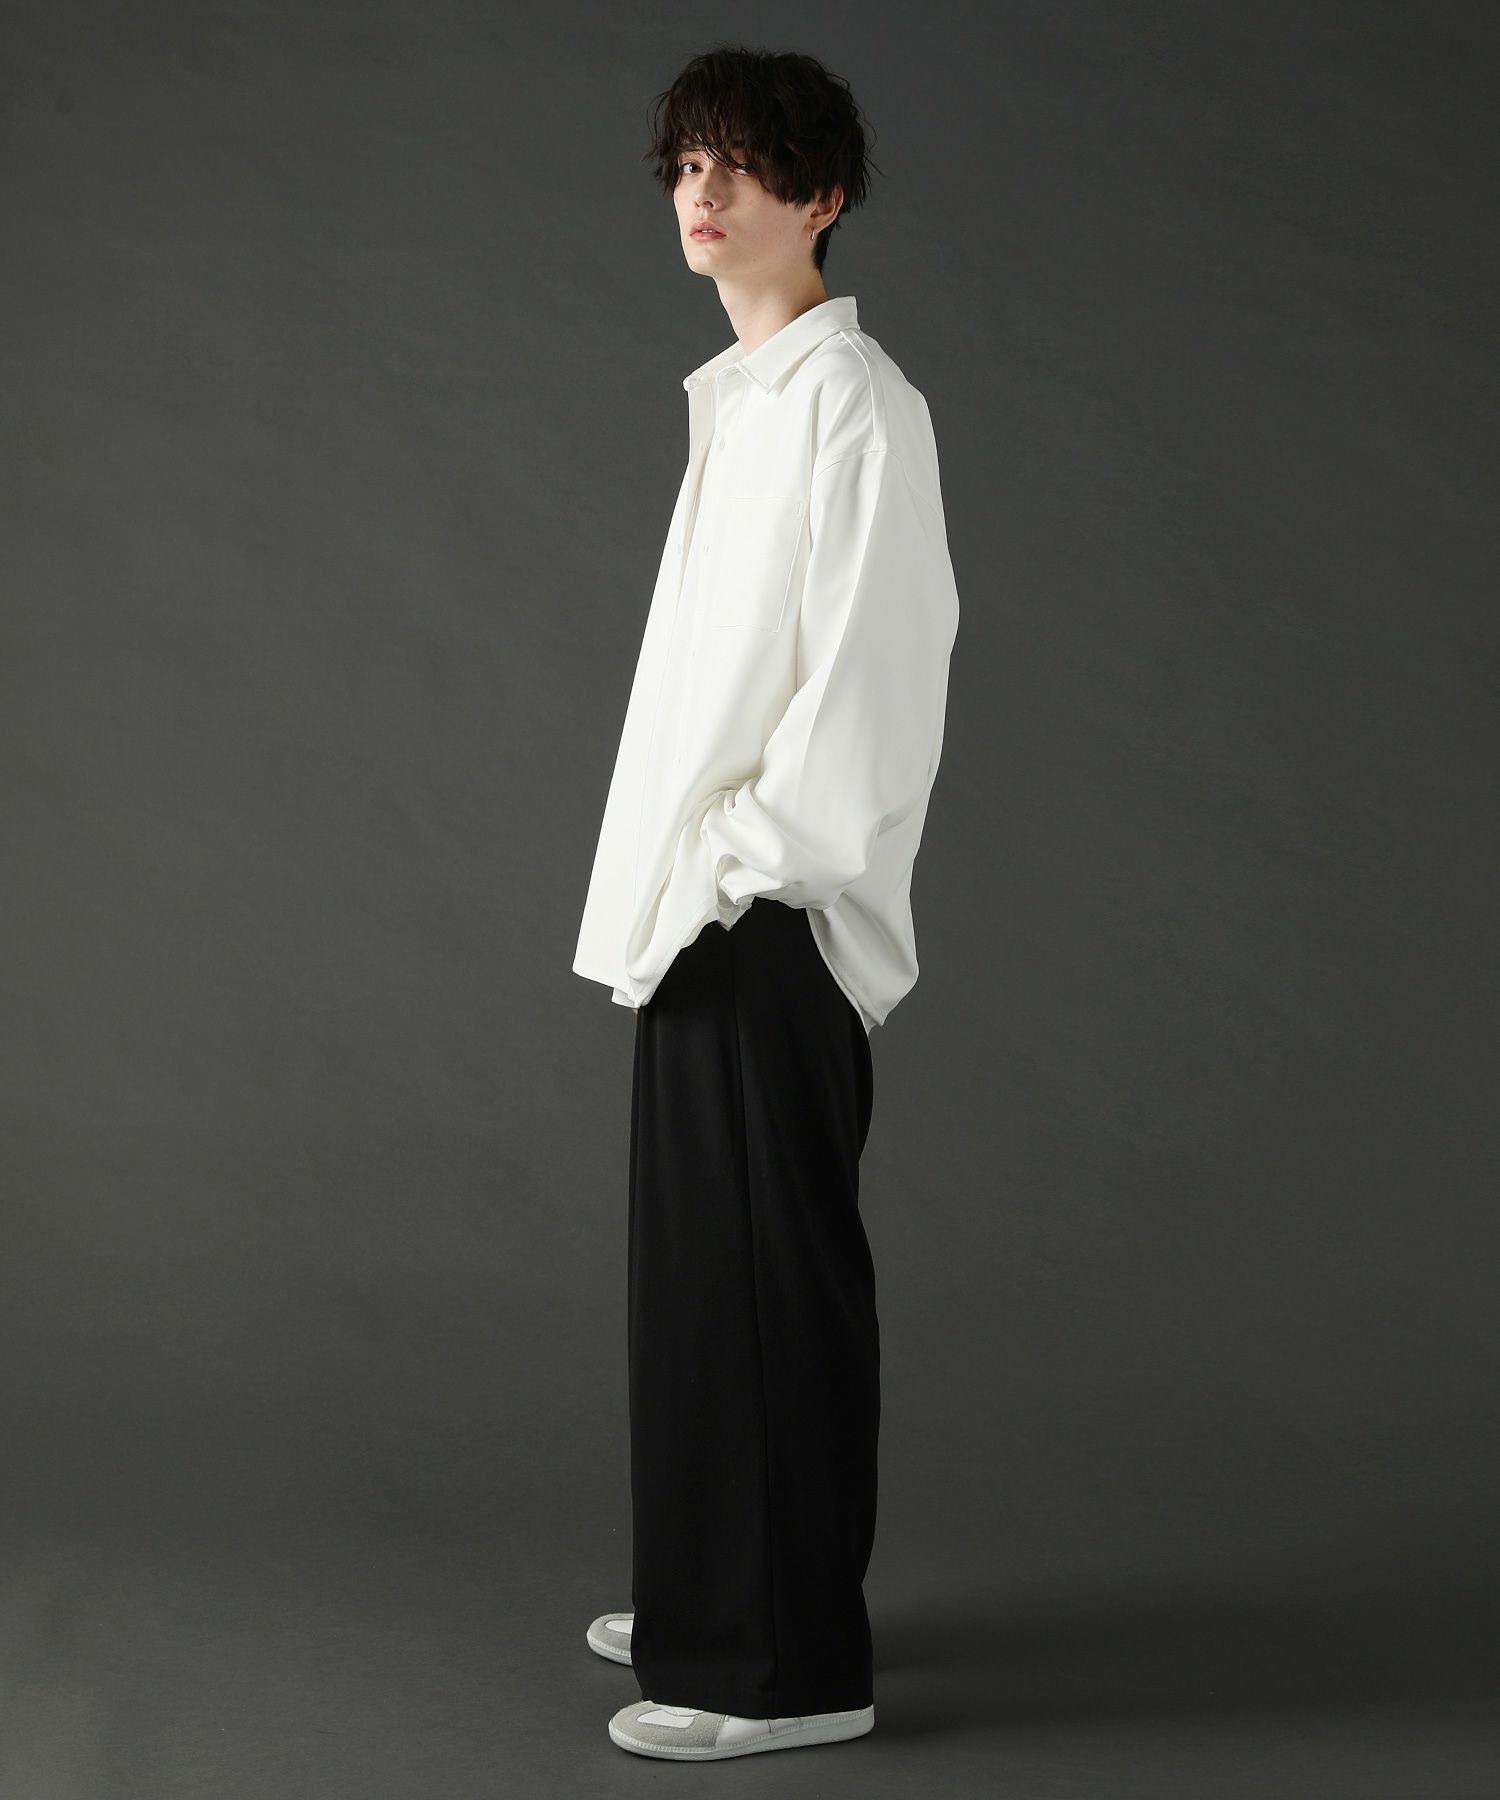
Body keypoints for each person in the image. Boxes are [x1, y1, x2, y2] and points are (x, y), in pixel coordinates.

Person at [572, 43, 960, 1762]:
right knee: (698, 1287)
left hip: (768, 912)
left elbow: (877, 670)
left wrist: (746, 864)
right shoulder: (743, 400)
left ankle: (787, 1665)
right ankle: (705, 1590)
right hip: (700, 908)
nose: (703, 191)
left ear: (825, 196)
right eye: (685, 164)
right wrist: (687, 882)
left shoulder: (854, 403)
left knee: (766, 1292)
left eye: (740, 163)